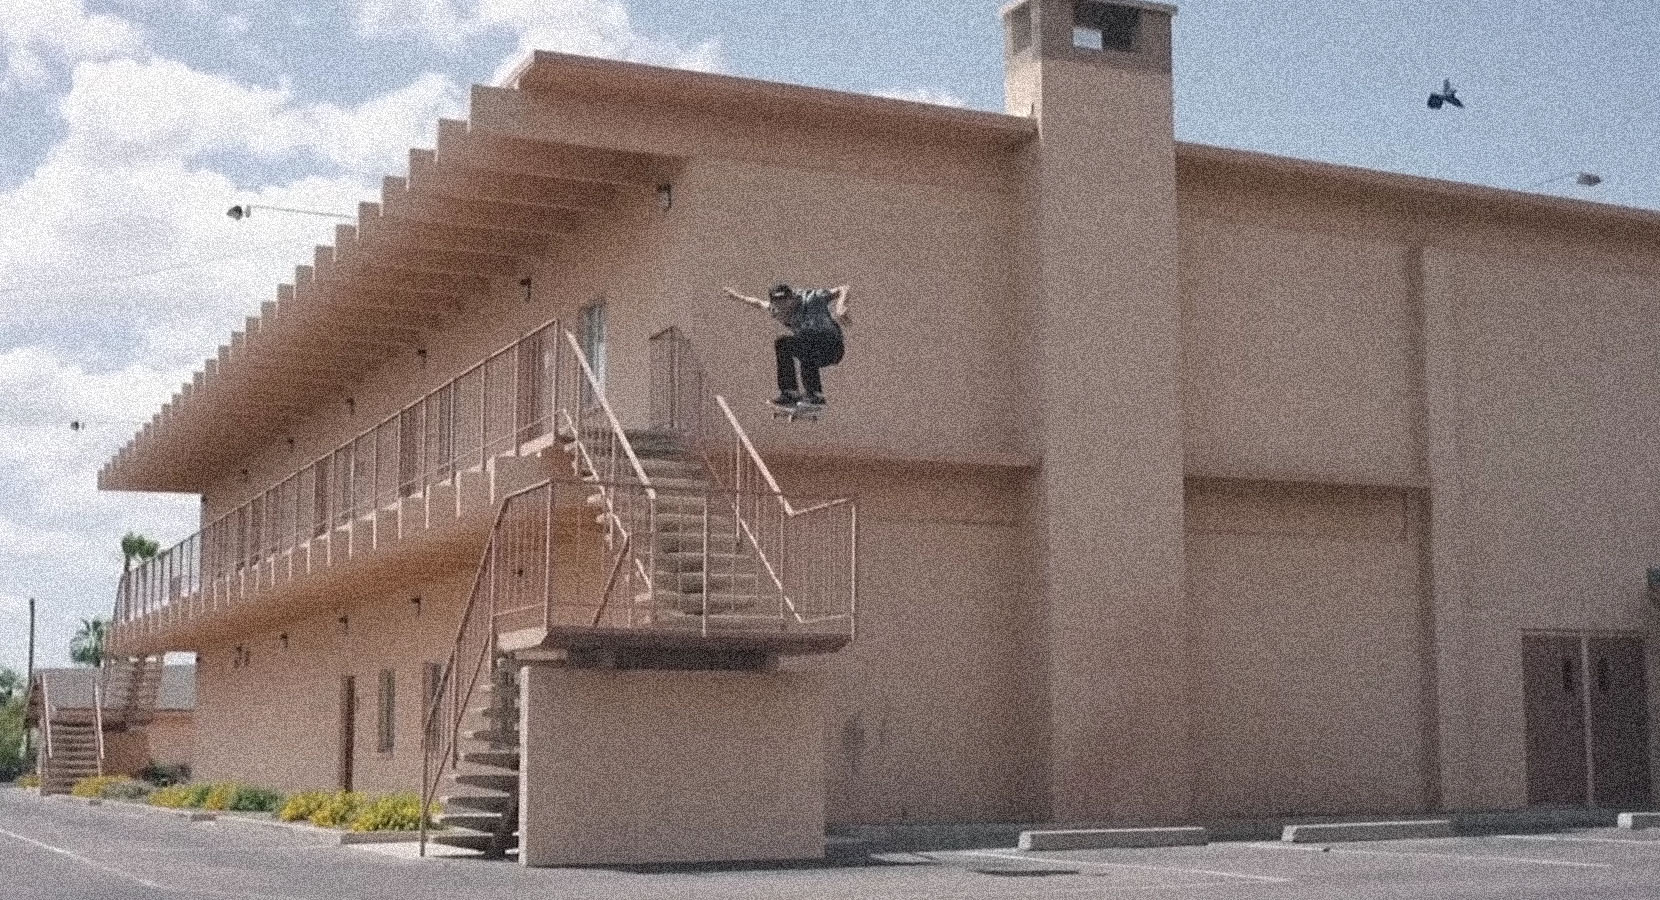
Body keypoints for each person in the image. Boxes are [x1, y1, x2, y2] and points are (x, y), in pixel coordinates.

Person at [722, 283, 850, 407]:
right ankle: (790, 393)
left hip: (832, 347)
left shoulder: (812, 298)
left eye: (785, 303)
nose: (783, 309)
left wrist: (840, 306)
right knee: (783, 343)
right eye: (778, 305)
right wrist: (738, 297)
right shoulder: (776, 310)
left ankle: (815, 395)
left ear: (792, 298)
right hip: (810, 347)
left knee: (806, 339)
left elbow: (843, 288)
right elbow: (758, 303)